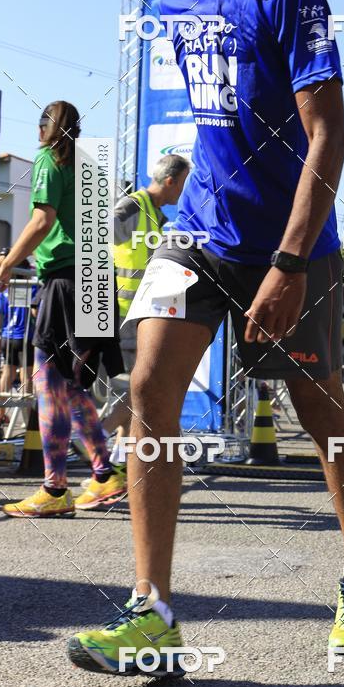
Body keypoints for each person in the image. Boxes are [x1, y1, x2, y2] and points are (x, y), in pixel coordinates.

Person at [68, 0, 344, 676]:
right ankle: (153, 614)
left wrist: (286, 265)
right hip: (201, 231)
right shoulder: (172, 3)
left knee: (322, 415)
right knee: (146, 387)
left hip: (293, 243)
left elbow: (330, 139)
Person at [0, 101, 125, 516]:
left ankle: (55, 489)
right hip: (96, 279)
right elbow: (70, 231)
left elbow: (44, 222)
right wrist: (7, 260)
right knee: (72, 386)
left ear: (47, 127)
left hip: (67, 282)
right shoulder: (88, 167)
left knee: (48, 385)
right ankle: (103, 475)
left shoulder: (49, 158)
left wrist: (6, 268)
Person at [102, 154, 190, 464]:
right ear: (170, 181)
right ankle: (97, 440)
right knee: (136, 389)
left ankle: (118, 463)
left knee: (140, 388)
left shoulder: (155, 215)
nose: (182, 193)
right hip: (121, 314)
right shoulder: (133, 206)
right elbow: (97, 241)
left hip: (140, 315)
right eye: (182, 185)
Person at [0, 260, 37, 434]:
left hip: (8, 337)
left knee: (6, 375)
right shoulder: (33, 288)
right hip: (26, 338)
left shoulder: (5, 291)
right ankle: (27, 418)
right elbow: (35, 313)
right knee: (27, 378)